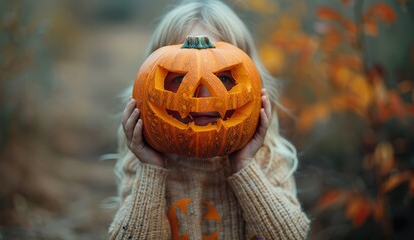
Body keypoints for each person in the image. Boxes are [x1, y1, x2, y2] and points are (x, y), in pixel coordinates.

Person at [109, 0, 310, 239]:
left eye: (224, 79)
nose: (204, 96)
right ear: (146, 85)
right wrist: (152, 170)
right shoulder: (144, 164)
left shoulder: (266, 158)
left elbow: (291, 236)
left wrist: (245, 166)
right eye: (179, 78)